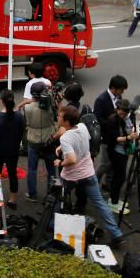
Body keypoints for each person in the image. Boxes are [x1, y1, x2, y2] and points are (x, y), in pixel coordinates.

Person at [55, 105, 124, 248]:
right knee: (100, 204)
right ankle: (116, 234)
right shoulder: (82, 126)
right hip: (88, 173)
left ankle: (54, 226)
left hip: (71, 176)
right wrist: (63, 148)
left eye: (60, 116)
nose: (57, 117)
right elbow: (81, 140)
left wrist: (60, 162)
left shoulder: (65, 137)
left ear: (66, 121)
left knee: (57, 198)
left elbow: (72, 159)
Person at [0, 90, 25, 209]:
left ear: (2, 102)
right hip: (13, 149)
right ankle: (13, 199)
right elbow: (22, 132)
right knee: (12, 172)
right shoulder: (19, 116)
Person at [23, 81, 58, 202]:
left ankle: (32, 194)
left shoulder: (27, 108)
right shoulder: (51, 106)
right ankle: (51, 193)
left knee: (32, 168)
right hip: (49, 138)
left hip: (33, 140)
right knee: (51, 168)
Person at [103, 98, 138, 213]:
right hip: (116, 152)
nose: (123, 115)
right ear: (117, 109)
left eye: (125, 113)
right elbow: (115, 139)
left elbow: (130, 128)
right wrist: (129, 137)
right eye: (121, 112)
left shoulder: (127, 118)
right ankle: (113, 202)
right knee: (119, 177)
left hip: (123, 151)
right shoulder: (113, 120)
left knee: (119, 177)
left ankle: (115, 200)